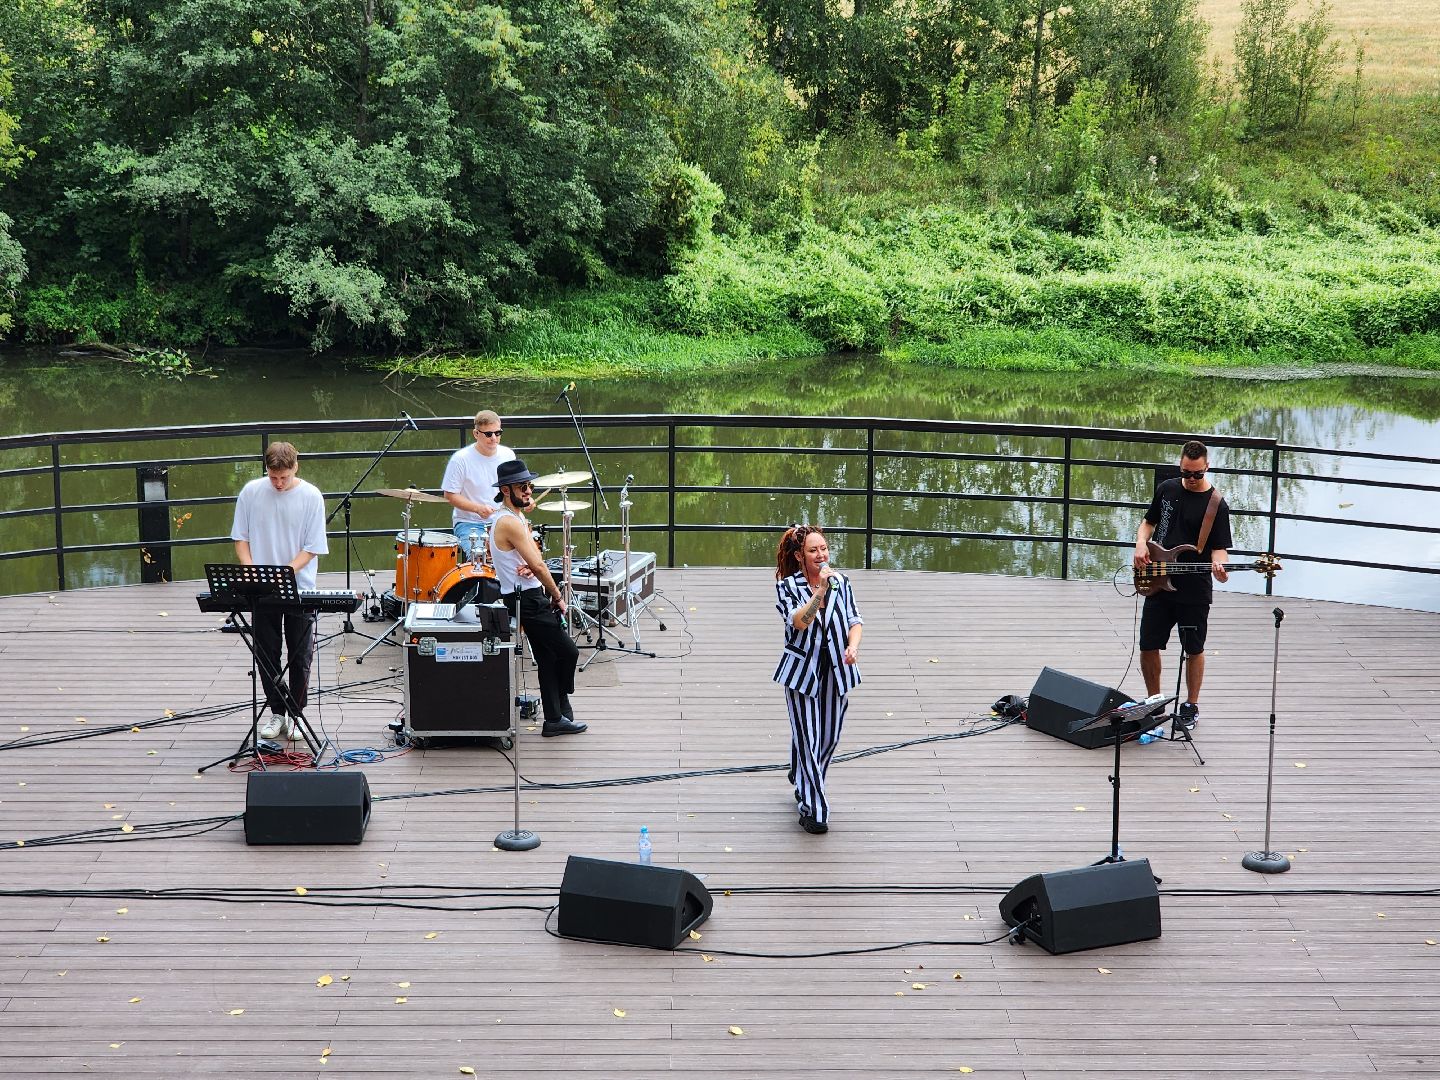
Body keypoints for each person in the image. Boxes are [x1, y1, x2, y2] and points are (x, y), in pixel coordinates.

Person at [231, 441, 329, 742]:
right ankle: (277, 712)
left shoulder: (311, 496)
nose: (278, 483)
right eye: (273, 477)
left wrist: (285, 572)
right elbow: (241, 538)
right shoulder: (250, 492)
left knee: (300, 656)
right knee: (266, 654)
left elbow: (313, 547)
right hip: (261, 589)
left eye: (284, 477)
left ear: (295, 467)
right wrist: (250, 568)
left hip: (299, 587)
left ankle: (297, 713)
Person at [1133, 439, 1231, 731]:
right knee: (1149, 644)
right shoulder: (1167, 489)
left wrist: (1220, 568)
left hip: (1194, 589)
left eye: (1197, 474)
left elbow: (1219, 549)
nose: (1190, 479)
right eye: (1186, 472)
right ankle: (1154, 700)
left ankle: (1191, 705)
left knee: (1194, 648)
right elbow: (1148, 523)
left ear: (1207, 467)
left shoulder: (1217, 504)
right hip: (1159, 581)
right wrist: (1140, 544)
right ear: (1180, 465)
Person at [772, 525, 863, 834]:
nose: (821, 555)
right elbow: (800, 622)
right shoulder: (787, 587)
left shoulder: (843, 582)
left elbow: (854, 620)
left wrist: (852, 646)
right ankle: (814, 810)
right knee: (809, 741)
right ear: (800, 556)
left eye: (823, 548)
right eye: (813, 550)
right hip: (801, 674)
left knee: (829, 738)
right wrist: (820, 592)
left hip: (836, 671)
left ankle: (799, 771)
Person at [489, 458, 585, 737]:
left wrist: (528, 564)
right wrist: (557, 595)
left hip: (525, 594)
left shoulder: (514, 517)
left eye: (530, 485)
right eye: (522, 487)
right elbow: (541, 566)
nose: (529, 491)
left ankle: (557, 717)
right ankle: (563, 698)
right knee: (569, 651)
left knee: (547, 657)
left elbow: (534, 560)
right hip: (527, 599)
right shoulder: (509, 522)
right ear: (506, 490)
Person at [442, 409, 515, 562]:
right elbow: (449, 495)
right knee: (480, 558)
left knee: (524, 554)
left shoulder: (508, 455)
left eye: (498, 433)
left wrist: (524, 501)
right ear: (476, 434)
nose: (494, 438)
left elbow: (513, 488)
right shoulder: (460, 459)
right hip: (469, 523)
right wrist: (478, 509)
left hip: (502, 520)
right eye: (488, 434)